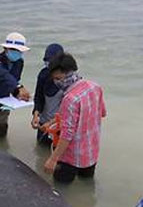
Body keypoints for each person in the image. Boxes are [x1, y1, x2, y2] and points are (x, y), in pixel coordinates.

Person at [42, 53, 106, 183]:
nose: (56, 82)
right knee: (87, 186)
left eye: (57, 78)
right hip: (91, 152)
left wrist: (53, 159)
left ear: (66, 74)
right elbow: (102, 113)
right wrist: (54, 121)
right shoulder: (94, 86)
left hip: (71, 157)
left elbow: (67, 135)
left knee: (61, 189)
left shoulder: (70, 99)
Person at [31, 43, 64, 145]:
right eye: (47, 61)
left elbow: (68, 110)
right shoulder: (43, 75)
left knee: (57, 154)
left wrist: (51, 123)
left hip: (60, 125)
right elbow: (38, 98)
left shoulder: (68, 80)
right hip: (43, 123)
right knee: (41, 151)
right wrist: (36, 115)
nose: (49, 64)